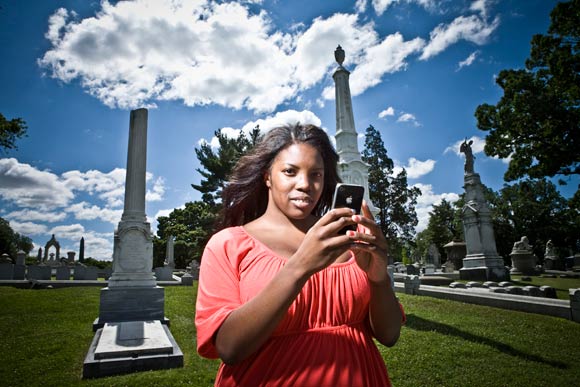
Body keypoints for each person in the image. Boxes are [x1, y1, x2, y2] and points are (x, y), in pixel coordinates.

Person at [195, 124, 405, 387]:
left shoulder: (350, 237)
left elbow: (389, 335)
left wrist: (378, 278)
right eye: (289, 172)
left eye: (316, 174)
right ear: (267, 177)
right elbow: (229, 348)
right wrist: (299, 267)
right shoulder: (228, 244)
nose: (305, 185)